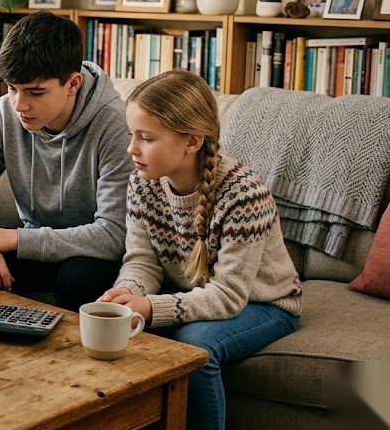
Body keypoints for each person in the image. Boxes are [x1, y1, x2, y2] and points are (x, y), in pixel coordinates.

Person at [98, 70, 302, 430]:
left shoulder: (243, 195)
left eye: (145, 138)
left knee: (195, 350)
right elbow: (142, 261)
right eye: (132, 135)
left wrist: (149, 307)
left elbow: (228, 296)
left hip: (264, 303)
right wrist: (129, 292)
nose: (131, 148)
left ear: (191, 141)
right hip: (194, 292)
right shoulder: (142, 183)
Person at [0, 12, 133, 311]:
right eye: (11, 88)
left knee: (79, 279)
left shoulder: (114, 124)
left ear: (73, 83)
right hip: (31, 251)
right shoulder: (6, 112)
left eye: (35, 92)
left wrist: (11, 239)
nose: (19, 105)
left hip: (87, 255)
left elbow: (113, 234)